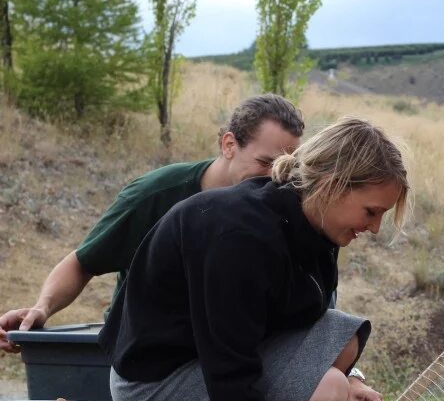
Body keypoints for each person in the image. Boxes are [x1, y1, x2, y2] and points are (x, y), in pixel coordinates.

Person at [99, 117, 410, 401]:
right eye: (371, 211)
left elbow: (304, 327)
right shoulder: (240, 234)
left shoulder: (312, 228)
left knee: (342, 349)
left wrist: (352, 376)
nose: (373, 227)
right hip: (157, 384)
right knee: (327, 393)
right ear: (334, 183)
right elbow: (229, 365)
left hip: (209, 364)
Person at [0, 94, 305, 353]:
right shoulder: (156, 195)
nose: (274, 178)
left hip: (229, 352)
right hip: (145, 358)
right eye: (265, 163)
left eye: (285, 168)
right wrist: (42, 308)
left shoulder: (282, 207)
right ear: (229, 144)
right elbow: (83, 262)